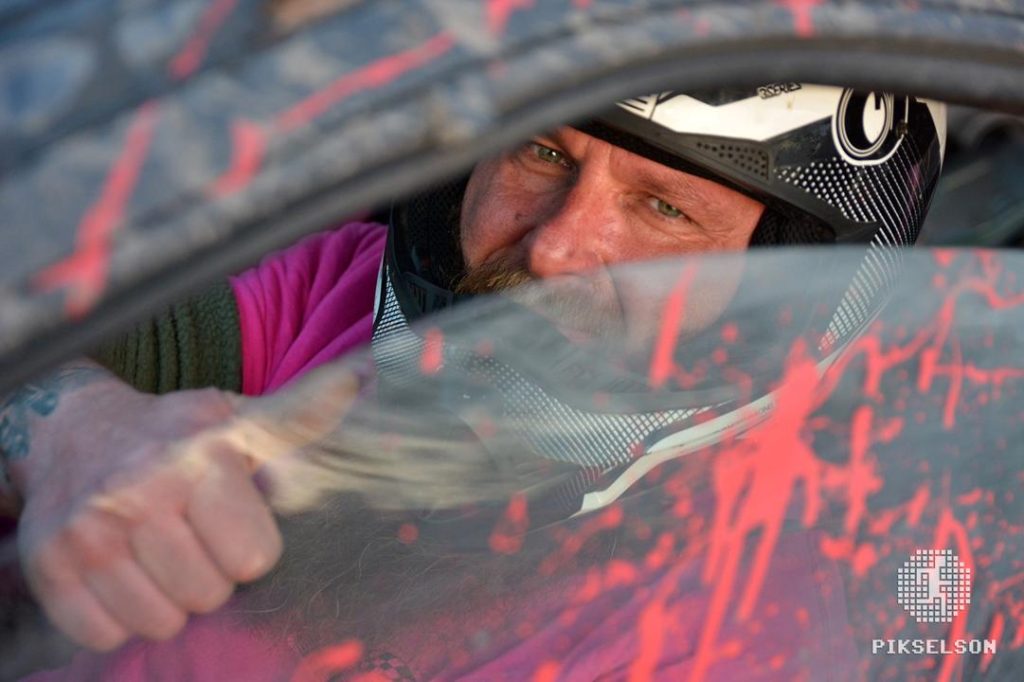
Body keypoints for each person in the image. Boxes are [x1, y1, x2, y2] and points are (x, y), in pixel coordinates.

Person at [0, 85, 946, 660]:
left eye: (663, 208)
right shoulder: (340, 291)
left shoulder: (738, 625)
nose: (556, 249)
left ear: (786, 288)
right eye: (544, 152)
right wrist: (75, 426)